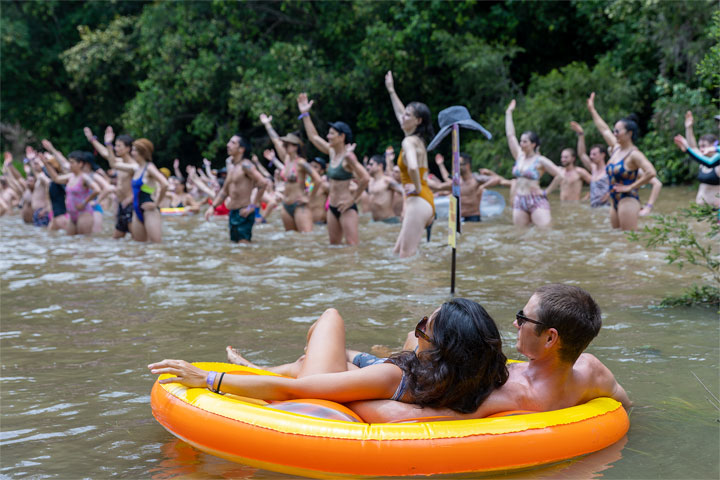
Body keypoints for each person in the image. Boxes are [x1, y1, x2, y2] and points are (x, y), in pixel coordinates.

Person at [150, 298, 509, 417]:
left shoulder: (394, 377)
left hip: (335, 386)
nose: (416, 332)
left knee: (330, 318)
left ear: (442, 348)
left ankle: (259, 372)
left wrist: (210, 379)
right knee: (345, 354)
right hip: (386, 378)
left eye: (422, 329)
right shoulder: (482, 374)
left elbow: (299, 391)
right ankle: (266, 368)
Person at [347, 284, 631, 423]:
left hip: (404, 373)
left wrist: (349, 403)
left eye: (523, 318)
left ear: (550, 338)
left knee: (414, 338)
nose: (515, 323)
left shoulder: (510, 393)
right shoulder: (592, 370)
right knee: (416, 339)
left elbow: (401, 417)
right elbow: (625, 405)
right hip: (417, 367)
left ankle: (371, 354)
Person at [297, 93, 369, 245]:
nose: (328, 136)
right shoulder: (331, 152)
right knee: (334, 249)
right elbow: (314, 137)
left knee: (352, 249)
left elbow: (365, 178)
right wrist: (305, 114)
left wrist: (352, 199)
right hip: (332, 207)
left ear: (342, 137)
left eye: (332, 133)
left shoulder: (348, 158)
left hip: (346, 207)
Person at [586, 93, 657, 231]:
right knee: (617, 240)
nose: (615, 133)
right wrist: (592, 110)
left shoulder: (634, 155)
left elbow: (651, 172)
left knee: (628, 240)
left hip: (628, 199)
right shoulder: (616, 149)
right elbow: (604, 129)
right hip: (614, 201)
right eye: (615, 131)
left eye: (618, 131)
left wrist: (631, 187)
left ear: (629, 133)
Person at [385, 71, 435, 256]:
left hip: (418, 199)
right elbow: (400, 112)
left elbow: (413, 166)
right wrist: (391, 90)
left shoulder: (408, 143)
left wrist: (415, 187)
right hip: (423, 198)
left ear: (418, 120)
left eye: (408, 115)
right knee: (397, 253)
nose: (403, 117)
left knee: (407, 256)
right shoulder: (418, 139)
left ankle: (424, 285)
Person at [505, 99, 562, 227]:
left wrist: (546, 192)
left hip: (536, 200)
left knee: (544, 234)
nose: (521, 144)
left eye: (525, 141)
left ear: (533, 144)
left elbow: (560, 175)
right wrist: (508, 113)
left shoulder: (540, 160)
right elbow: (510, 135)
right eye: (521, 141)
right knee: (522, 236)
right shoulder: (519, 156)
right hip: (520, 200)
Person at [204, 134, 270, 243]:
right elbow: (224, 191)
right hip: (233, 212)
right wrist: (213, 207)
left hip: (244, 212)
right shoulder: (232, 167)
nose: (228, 145)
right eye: (229, 142)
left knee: (244, 247)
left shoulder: (246, 166)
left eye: (233, 143)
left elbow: (263, 183)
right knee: (235, 248)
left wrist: (253, 205)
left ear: (241, 149)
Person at [260, 113, 313, 232]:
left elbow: (316, 180)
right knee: (291, 241)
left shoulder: (301, 162)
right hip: (286, 205)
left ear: (295, 146)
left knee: (306, 241)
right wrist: (267, 124)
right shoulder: (287, 160)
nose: (283, 146)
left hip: (300, 205)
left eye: (287, 144)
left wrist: (309, 197)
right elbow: (275, 140)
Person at [108, 138, 168, 242]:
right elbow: (113, 164)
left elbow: (165, 184)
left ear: (142, 152)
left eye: (134, 150)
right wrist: (108, 144)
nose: (132, 152)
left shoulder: (149, 168)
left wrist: (156, 204)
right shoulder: (135, 168)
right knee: (140, 246)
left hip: (149, 211)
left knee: (156, 244)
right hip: (136, 211)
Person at [85, 126, 137, 239]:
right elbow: (105, 154)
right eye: (116, 145)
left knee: (136, 240)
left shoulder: (133, 166)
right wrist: (92, 140)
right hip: (121, 205)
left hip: (130, 205)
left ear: (128, 148)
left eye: (119, 146)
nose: (116, 148)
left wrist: (131, 198)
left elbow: (142, 185)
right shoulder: (120, 162)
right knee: (116, 239)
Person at [42, 150, 100, 235]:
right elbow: (56, 179)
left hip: (84, 213)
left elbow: (97, 189)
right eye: (69, 162)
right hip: (71, 214)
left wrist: (84, 203)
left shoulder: (84, 177)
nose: (70, 165)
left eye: (72, 163)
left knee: (84, 242)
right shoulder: (70, 177)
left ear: (80, 164)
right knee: (70, 241)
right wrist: (46, 164)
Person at [679, 111, 720, 208]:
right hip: (702, 209)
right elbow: (693, 148)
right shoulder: (703, 160)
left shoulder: (716, 161)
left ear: (714, 145)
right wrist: (689, 128)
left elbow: (692, 150)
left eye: (704, 146)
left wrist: (687, 150)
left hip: (715, 209)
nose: (701, 149)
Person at [367, 154, 403, 223]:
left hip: (389, 221)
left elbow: (404, 192)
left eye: (371, 164)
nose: (368, 167)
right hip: (374, 221)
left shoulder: (387, 181)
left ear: (380, 166)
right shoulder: (370, 181)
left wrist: (404, 210)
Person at [458, 153, 485, 222]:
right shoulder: (457, 182)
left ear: (467, 165)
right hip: (460, 218)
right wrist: (441, 165)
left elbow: (496, 179)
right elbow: (439, 186)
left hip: (473, 217)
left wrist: (484, 186)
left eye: (459, 164)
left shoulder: (477, 180)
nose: (457, 167)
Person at [306, 157, 329, 225]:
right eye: (311, 166)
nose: (311, 169)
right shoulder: (305, 184)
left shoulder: (324, 185)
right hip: (307, 224)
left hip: (321, 225)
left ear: (322, 171)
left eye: (315, 167)